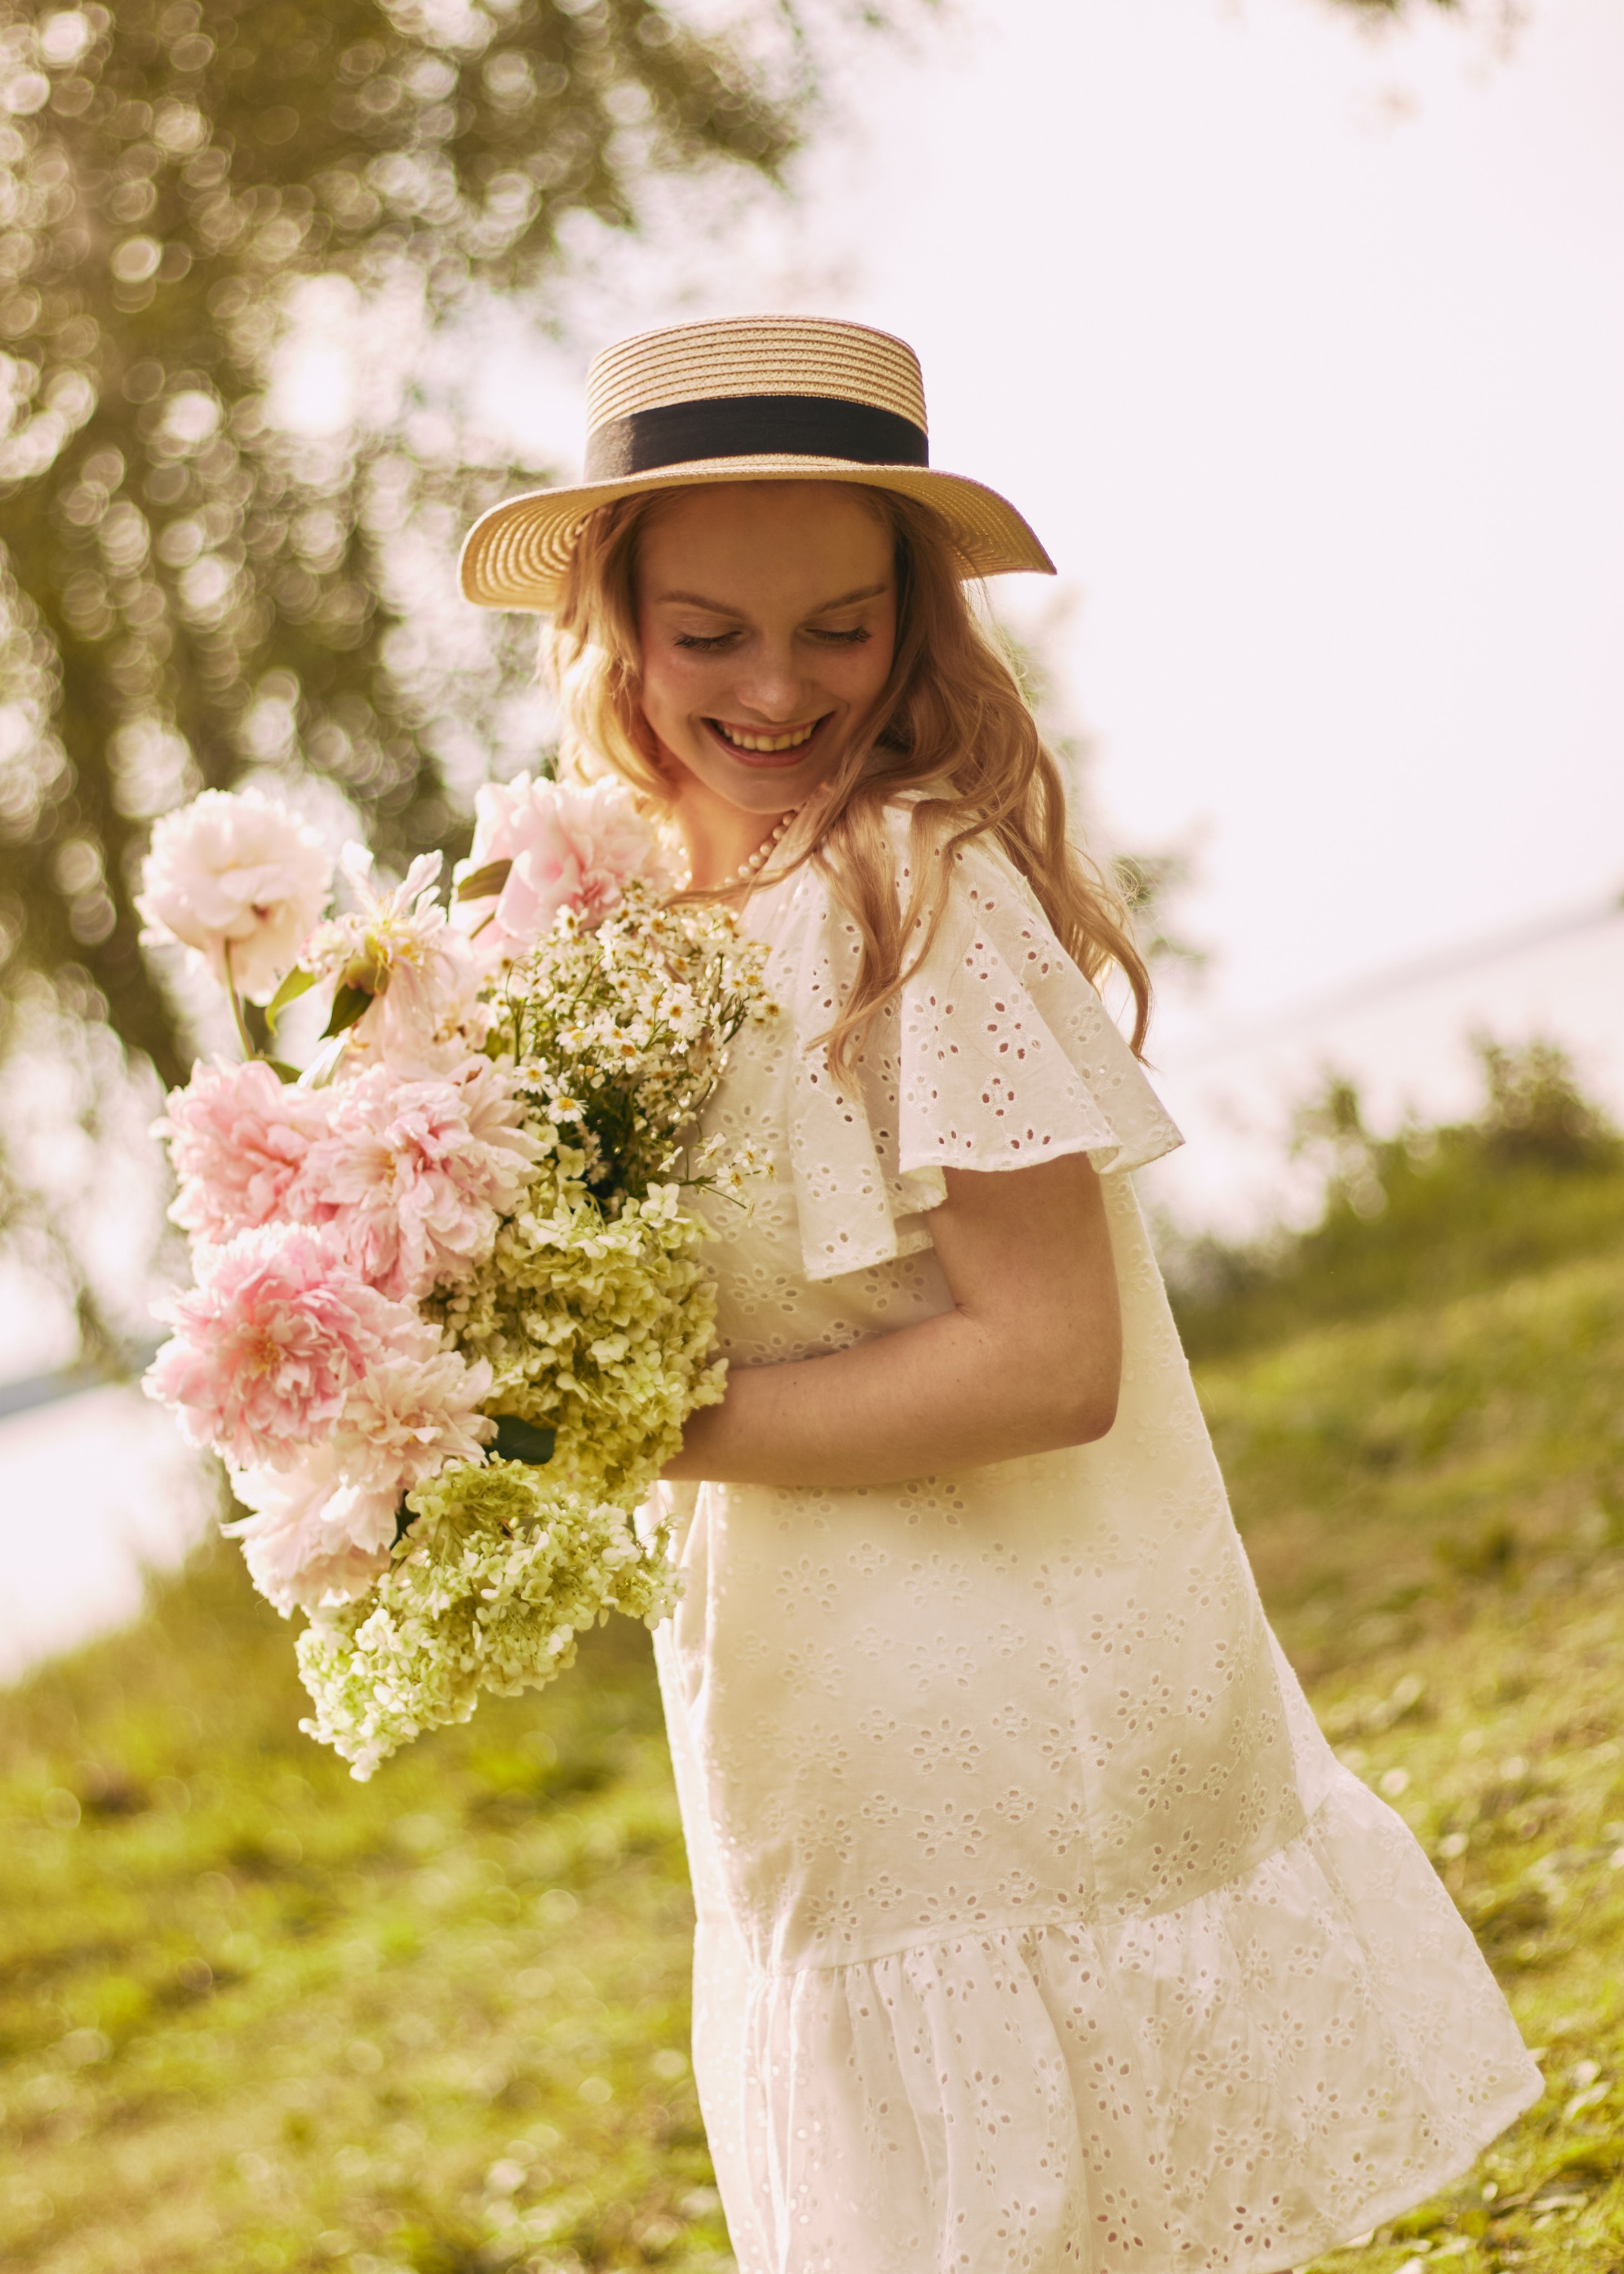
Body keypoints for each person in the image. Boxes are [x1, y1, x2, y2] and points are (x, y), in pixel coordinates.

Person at [461, 316, 1540, 2274]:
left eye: (841, 629)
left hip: (986, 1693)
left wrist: (632, 1427)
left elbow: (1050, 1363)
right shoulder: (595, 923)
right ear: (610, 621)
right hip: (788, 1680)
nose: (779, 688)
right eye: (709, 633)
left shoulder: (914, 890)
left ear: (917, 624)